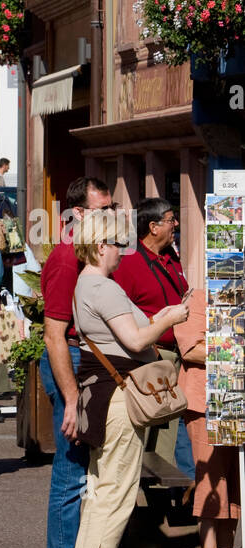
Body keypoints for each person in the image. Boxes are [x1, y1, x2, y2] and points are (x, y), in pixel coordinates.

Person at [71, 209, 189, 548]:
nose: (123, 253)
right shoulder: (103, 286)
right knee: (116, 489)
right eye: (118, 245)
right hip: (119, 395)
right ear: (101, 245)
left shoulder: (85, 283)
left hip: (102, 392)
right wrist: (170, 317)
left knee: (102, 487)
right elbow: (136, 341)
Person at [39, 175, 113, 548]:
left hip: (90, 369)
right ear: (80, 213)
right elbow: (54, 334)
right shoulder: (68, 256)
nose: (113, 217)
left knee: (99, 472)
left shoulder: (89, 252)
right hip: (72, 370)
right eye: (104, 210)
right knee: (70, 471)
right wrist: (71, 397)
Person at [114, 197, 190, 474]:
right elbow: (121, 311)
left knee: (168, 434)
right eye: (171, 220)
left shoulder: (171, 258)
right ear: (153, 226)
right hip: (148, 357)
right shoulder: (129, 262)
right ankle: (141, 501)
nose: (176, 225)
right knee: (144, 431)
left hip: (175, 357)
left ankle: (165, 496)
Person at [174, 288, 240, 548]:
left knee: (234, 477)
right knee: (211, 475)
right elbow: (190, 348)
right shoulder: (201, 292)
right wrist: (235, 351)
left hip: (234, 396)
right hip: (205, 396)